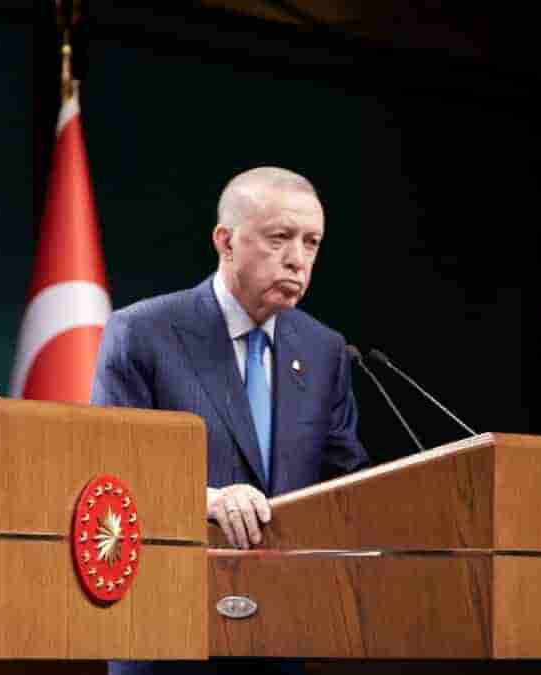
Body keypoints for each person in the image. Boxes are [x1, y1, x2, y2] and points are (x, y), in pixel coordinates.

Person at [93, 167, 370, 674]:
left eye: (311, 242)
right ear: (225, 241)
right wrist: (207, 500)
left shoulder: (324, 349)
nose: (298, 258)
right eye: (280, 238)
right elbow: (109, 478)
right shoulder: (142, 333)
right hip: (169, 634)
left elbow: (346, 482)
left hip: (281, 638)